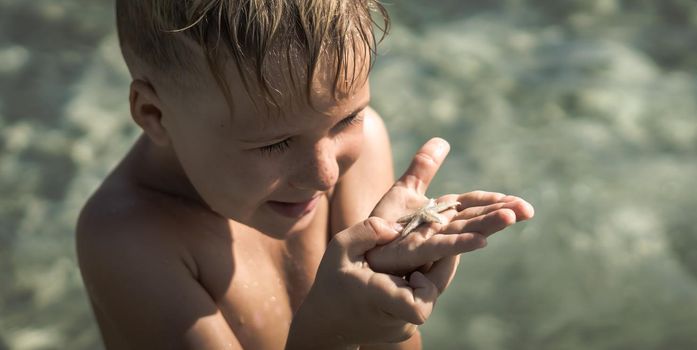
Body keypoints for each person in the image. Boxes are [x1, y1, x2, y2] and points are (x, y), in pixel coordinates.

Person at [75, 1, 534, 349]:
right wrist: (330, 331)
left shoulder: (364, 145)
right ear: (153, 113)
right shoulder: (129, 240)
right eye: (273, 144)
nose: (325, 173)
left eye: (345, 119)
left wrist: (389, 314)